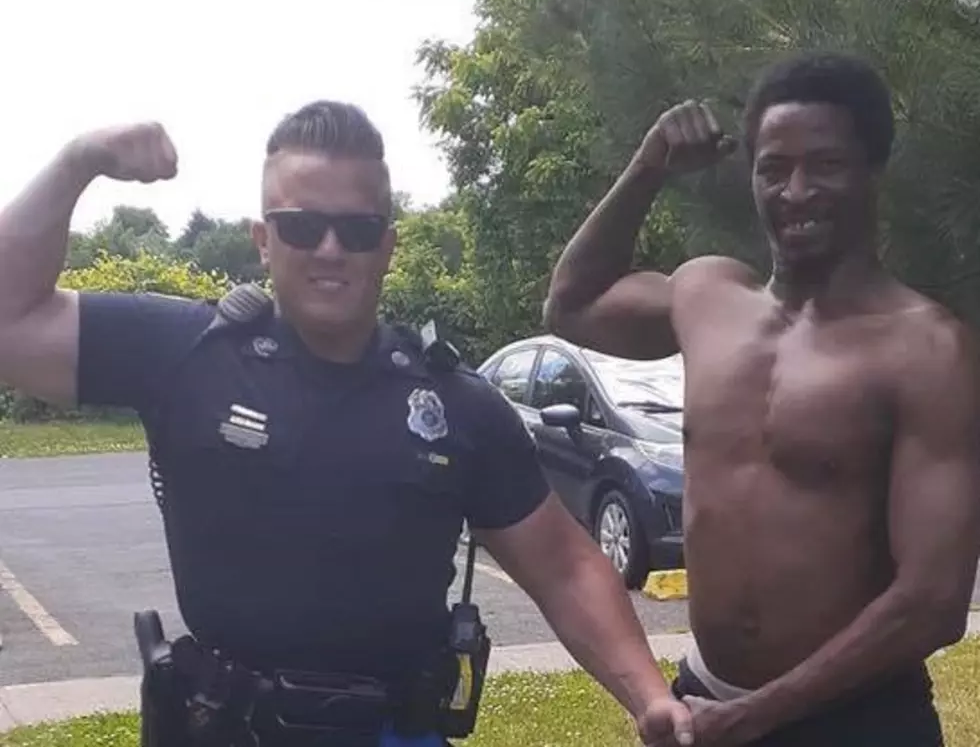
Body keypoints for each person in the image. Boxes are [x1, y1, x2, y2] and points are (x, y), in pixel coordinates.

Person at [0, 100, 693, 747]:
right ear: (263, 239)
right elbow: (10, 321)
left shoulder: (455, 403)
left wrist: (649, 696)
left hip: (394, 728)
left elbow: (565, 567)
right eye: (302, 225)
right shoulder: (184, 352)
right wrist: (78, 161)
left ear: (388, 245)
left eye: (356, 230)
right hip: (227, 727)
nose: (330, 247)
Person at [543, 51, 980, 746]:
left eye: (825, 165)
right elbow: (571, 305)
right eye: (773, 168)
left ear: (873, 172)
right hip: (706, 700)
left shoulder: (927, 349)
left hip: (858, 723)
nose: (796, 191)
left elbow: (933, 602)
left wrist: (752, 718)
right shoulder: (708, 295)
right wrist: (647, 166)